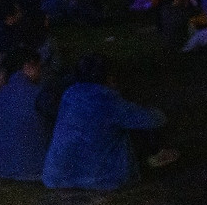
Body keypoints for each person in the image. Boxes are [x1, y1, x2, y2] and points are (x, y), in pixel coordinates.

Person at [42, 53, 170, 190]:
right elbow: (154, 120)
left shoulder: (70, 94)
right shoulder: (108, 101)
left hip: (56, 176)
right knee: (131, 126)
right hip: (98, 179)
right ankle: (156, 156)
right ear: (107, 76)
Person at [0, 47, 53, 181]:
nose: (40, 72)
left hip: (1, 168)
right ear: (28, 66)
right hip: (35, 168)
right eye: (38, 67)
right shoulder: (39, 95)